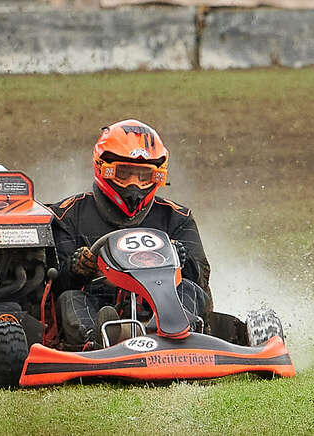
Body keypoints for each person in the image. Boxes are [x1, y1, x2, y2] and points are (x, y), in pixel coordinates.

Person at [49, 119, 212, 350]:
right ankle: (99, 341)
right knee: (70, 300)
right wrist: (76, 269)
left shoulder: (176, 217)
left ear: (158, 176)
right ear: (103, 168)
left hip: (161, 304)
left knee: (189, 289)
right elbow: (52, 286)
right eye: (124, 174)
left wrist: (179, 260)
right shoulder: (68, 215)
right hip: (98, 304)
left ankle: (172, 333)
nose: (134, 186)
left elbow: (201, 280)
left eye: (143, 176)